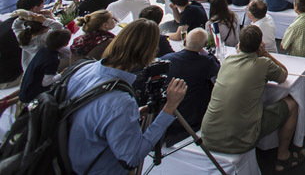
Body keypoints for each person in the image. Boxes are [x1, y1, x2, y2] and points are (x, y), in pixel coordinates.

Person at [66, 19, 187, 174]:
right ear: (149, 53)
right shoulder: (119, 102)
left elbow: (93, 119)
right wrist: (169, 108)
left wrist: (133, 113)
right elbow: (132, 158)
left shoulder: (83, 68)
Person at [201, 26, 305, 171]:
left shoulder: (227, 61)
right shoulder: (263, 63)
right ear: (259, 46)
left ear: (239, 44)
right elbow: (284, 75)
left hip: (207, 135)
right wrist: (266, 54)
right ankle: (283, 156)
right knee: (293, 104)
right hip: (242, 140)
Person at [161, 28, 220, 144]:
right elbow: (217, 69)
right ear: (204, 45)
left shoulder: (166, 59)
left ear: (184, 42)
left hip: (168, 113)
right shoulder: (206, 63)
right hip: (191, 115)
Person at [18, 28, 70, 103]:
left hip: (26, 88)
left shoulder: (43, 50)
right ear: (66, 44)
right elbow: (46, 82)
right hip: (33, 96)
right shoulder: (53, 59)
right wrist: (62, 74)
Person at [13, 0, 64, 70]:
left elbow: (15, 26)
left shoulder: (22, 35)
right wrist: (46, 19)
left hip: (28, 66)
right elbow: (59, 27)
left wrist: (21, 18)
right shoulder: (44, 38)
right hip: (44, 67)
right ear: (46, 28)